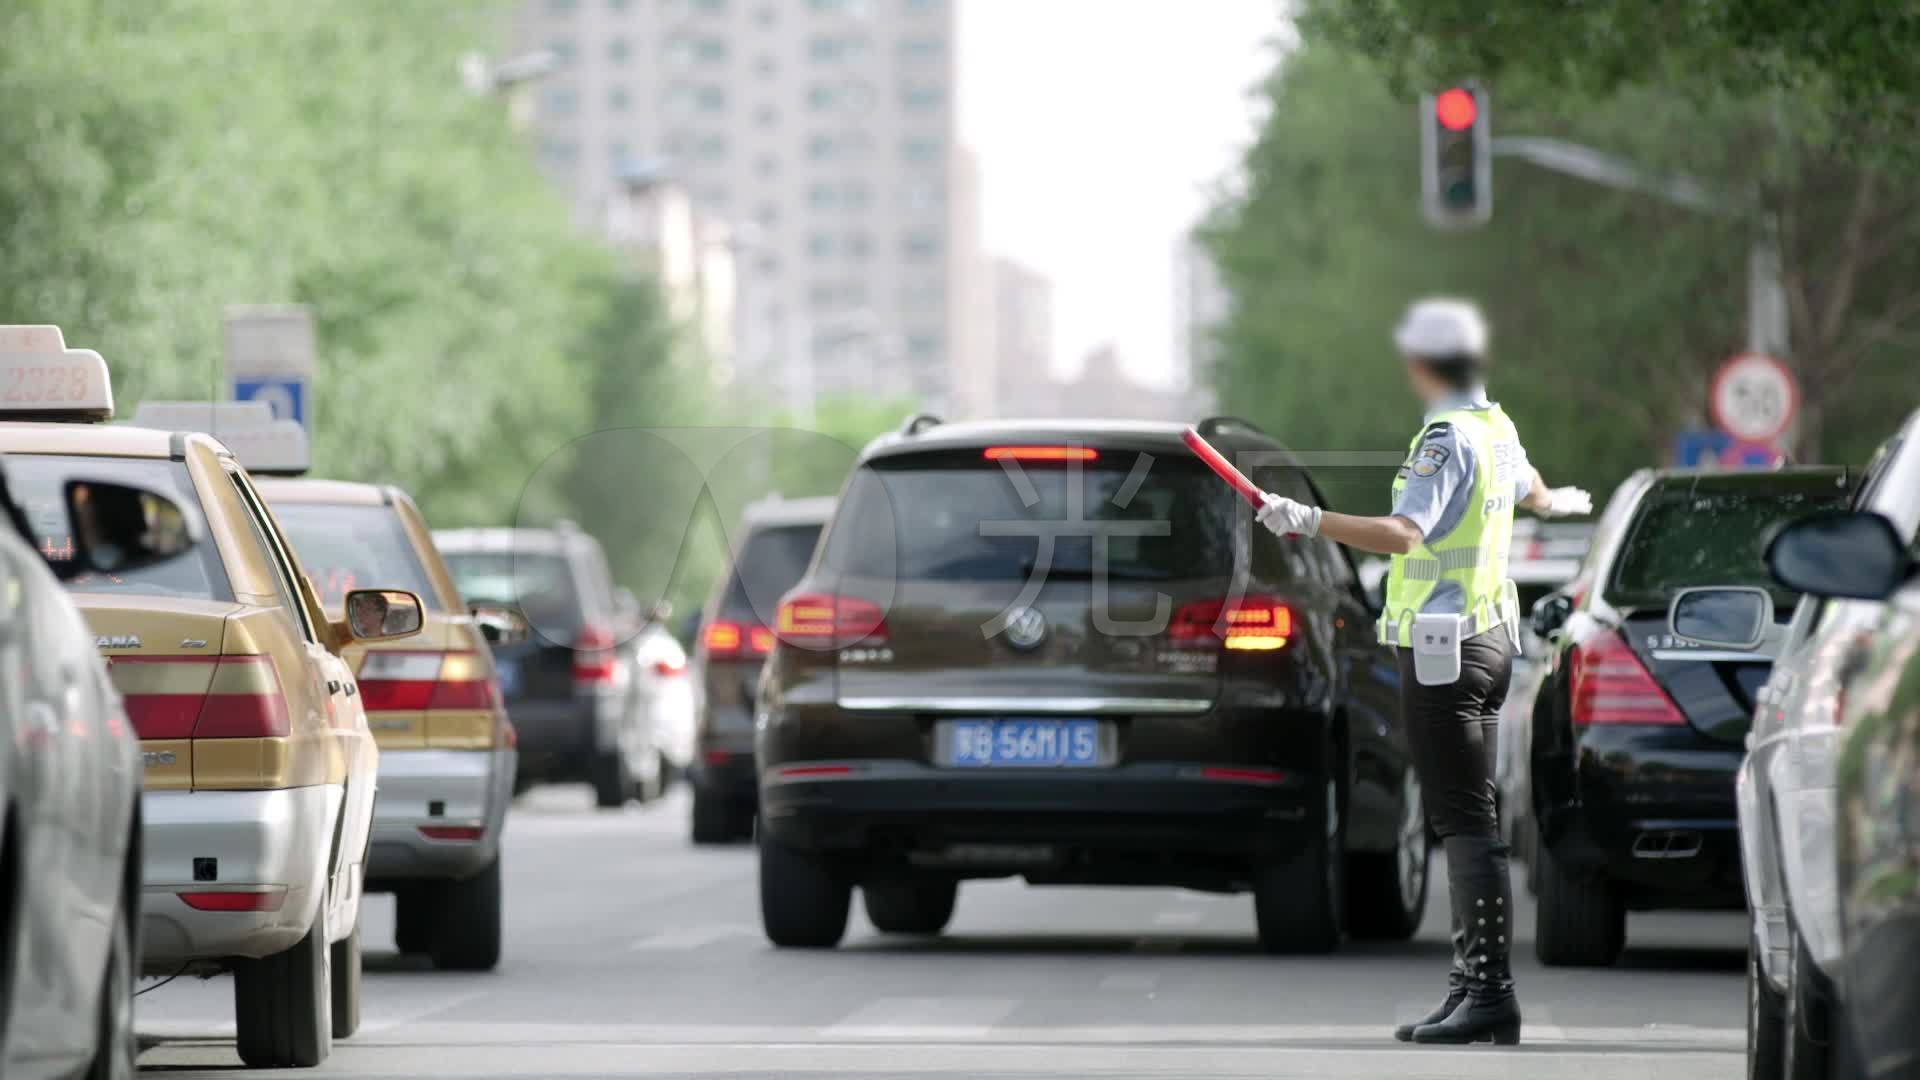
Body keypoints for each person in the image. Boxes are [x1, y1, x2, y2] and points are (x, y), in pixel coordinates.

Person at [1254, 298, 1591, 1047]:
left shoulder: (1445, 439)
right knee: (1466, 816)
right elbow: (1533, 486)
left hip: (1447, 651)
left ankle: (1490, 993)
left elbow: (1404, 534)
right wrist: (1553, 500)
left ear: (1421, 364)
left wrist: (1307, 519)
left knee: (1464, 823)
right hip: (1492, 641)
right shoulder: (1495, 427)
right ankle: (1470, 987)